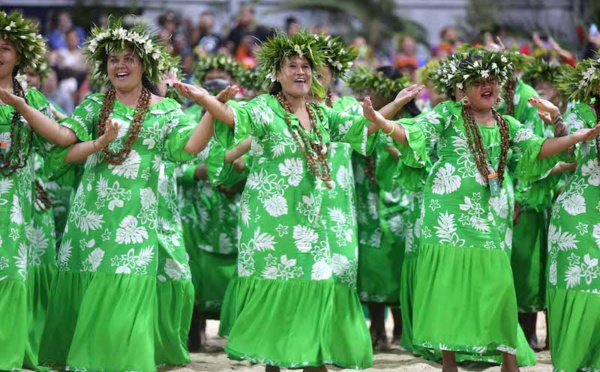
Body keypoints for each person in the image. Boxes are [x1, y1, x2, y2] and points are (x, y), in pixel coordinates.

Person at [363, 48, 600, 372]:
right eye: (478, 81)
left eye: (492, 80)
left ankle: (508, 361)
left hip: (490, 221)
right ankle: (450, 363)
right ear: (463, 87)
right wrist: (383, 122)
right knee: (449, 291)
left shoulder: (507, 124)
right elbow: (413, 133)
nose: (487, 86)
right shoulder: (447, 115)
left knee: (499, 289)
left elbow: (538, 148)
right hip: (447, 220)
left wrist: (579, 136)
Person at [0, 16, 214, 371]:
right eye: (113, 59)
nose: (120, 65)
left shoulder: (166, 110)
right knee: (94, 295)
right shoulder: (93, 106)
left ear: (144, 64)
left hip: (138, 219)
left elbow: (190, 147)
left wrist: (210, 110)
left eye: (128, 58)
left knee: (127, 293)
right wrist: (96, 142)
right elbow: (64, 147)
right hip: (92, 221)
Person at [174, 30, 396, 371]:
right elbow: (234, 118)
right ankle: (273, 364)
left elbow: (359, 130)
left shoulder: (322, 115)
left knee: (317, 287)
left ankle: (313, 362)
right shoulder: (265, 107)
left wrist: (380, 116)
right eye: (292, 66)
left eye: (306, 66)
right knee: (275, 296)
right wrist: (206, 99)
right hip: (271, 225)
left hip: (313, 224)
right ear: (278, 74)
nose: (301, 72)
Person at [0, 11, 54, 371]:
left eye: (4, 47)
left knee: (9, 270)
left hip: (12, 199)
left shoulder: (31, 98)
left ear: (19, 55)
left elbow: (59, 139)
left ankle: (5, 356)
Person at [545, 58, 600, 372]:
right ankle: (571, 362)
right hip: (578, 213)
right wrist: (556, 118)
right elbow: (568, 153)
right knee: (581, 284)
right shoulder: (582, 112)